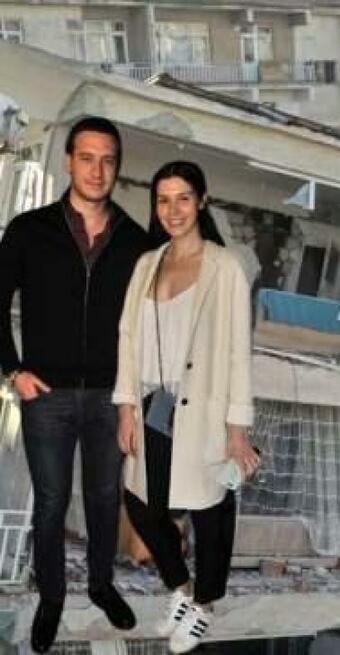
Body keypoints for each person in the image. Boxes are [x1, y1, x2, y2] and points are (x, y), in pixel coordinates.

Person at [0, 117, 151, 652]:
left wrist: (134, 396)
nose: (97, 169)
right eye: (87, 157)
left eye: (108, 159)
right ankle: (52, 598)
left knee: (106, 498)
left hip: (111, 397)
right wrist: (13, 369)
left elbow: (150, 325)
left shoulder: (135, 240)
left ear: (117, 167)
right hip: (48, 396)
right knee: (51, 502)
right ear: (69, 160)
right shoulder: (29, 230)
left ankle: (102, 585)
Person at [113, 161, 260, 653]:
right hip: (156, 401)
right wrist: (127, 407)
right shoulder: (147, 264)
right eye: (162, 199)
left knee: (211, 509)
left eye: (182, 198)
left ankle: (205, 606)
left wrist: (238, 428)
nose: (172, 209)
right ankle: (180, 589)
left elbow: (240, 349)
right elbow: (128, 338)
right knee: (140, 501)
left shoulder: (225, 267)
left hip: (208, 408)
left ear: (201, 201)